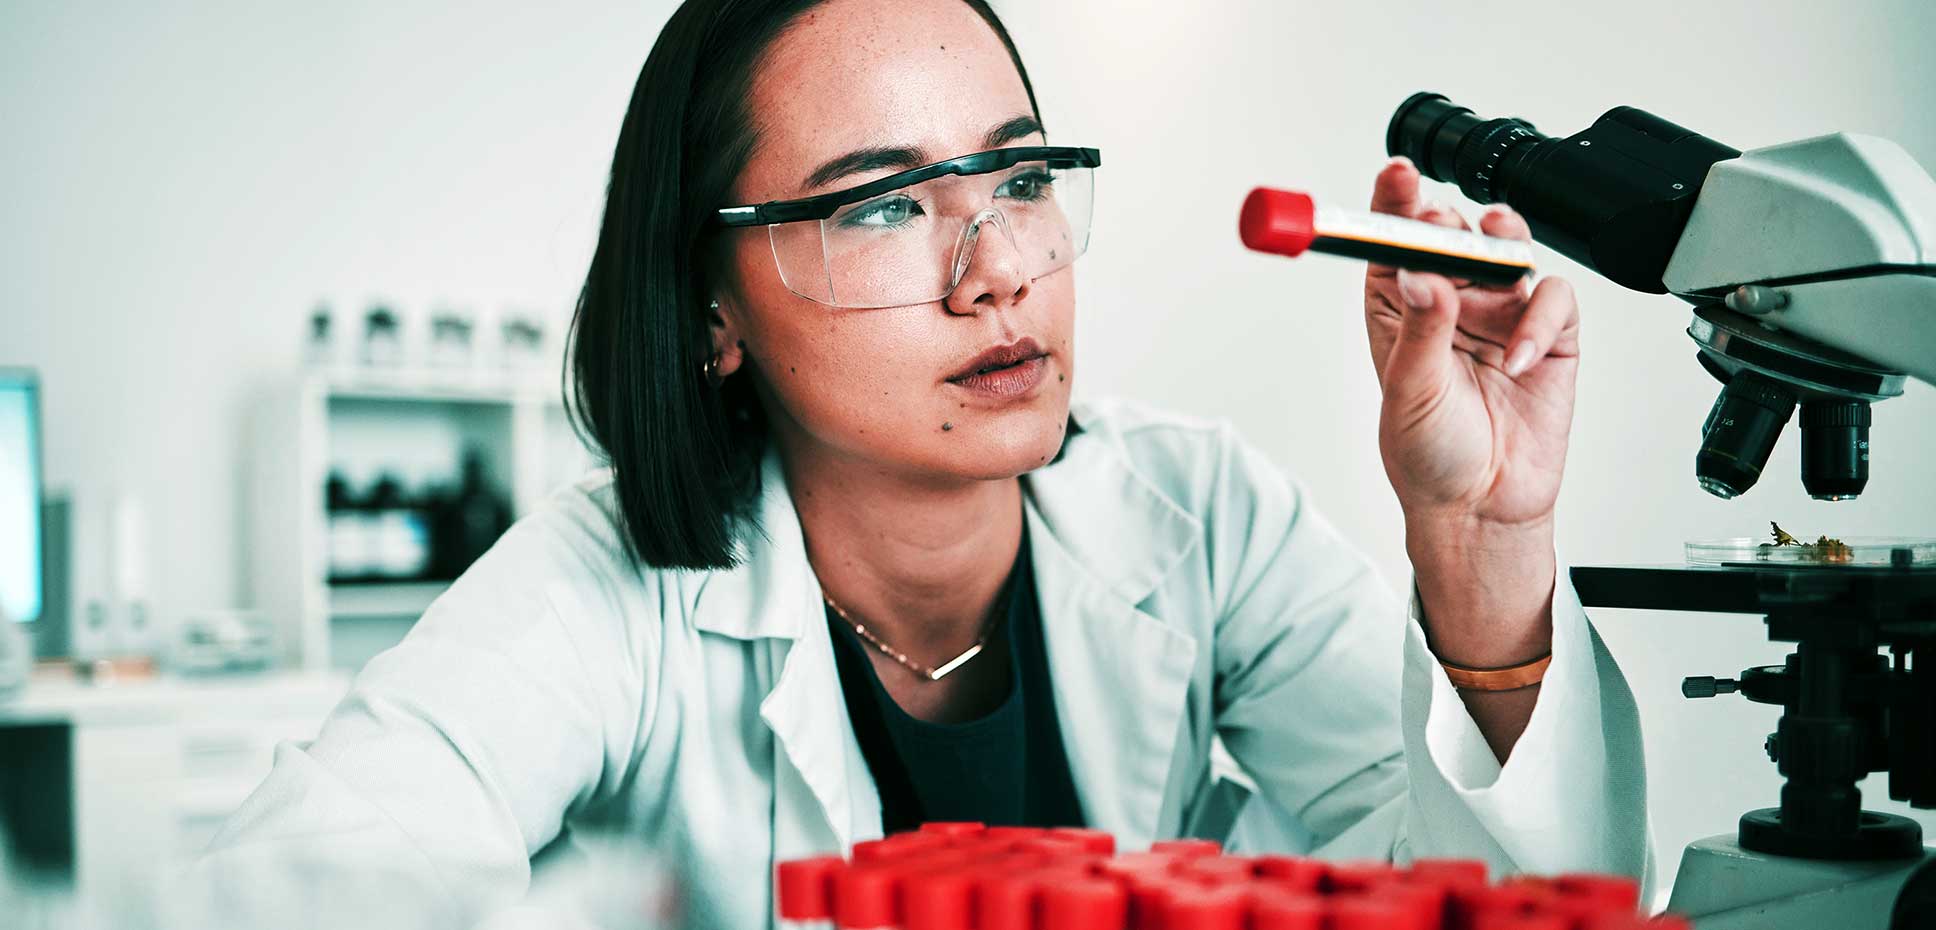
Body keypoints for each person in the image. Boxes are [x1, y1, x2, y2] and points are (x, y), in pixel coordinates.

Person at [198, 1, 1646, 927]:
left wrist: (1480, 538)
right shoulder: (616, 585)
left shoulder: (1198, 519)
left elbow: (1536, 905)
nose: (998, 270)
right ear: (712, 310)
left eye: (1019, 179)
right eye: (884, 207)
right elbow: (298, 883)